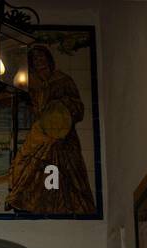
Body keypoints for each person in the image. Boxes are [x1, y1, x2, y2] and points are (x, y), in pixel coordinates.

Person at [5, 44, 95, 214]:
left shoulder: (63, 80)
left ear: (48, 59)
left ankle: (60, 205)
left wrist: (61, 108)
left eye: (41, 57)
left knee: (60, 170)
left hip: (62, 132)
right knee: (23, 161)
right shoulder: (29, 82)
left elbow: (78, 108)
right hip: (40, 130)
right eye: (34, 59)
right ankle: (23, 199)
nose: (39, 61)